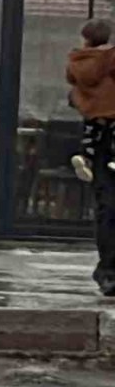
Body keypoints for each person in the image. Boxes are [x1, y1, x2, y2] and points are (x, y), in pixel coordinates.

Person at [65, 17, 115, 297]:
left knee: (106, 206)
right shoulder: (111, 60)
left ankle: (107, 270)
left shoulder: (78, 63)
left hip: (96, 135)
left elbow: (74, 97)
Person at [67, 18, 115, 184]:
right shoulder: (110, 56)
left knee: (91, 133)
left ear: (86, 39)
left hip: (89, 109)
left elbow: (71, 79)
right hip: (110, 107)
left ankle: (86, 157)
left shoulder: (77, 60)